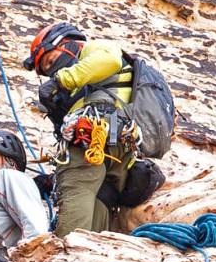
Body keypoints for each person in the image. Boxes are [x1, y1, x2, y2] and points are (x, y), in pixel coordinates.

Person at [23, 23, 140, 237]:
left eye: (51, 61)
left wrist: (61, 80)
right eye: (48, 71)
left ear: (66, 43)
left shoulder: (92, 49)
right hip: (119, 143)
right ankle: (89, 256)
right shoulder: (87, 85)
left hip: (94, 136)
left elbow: (109, 59)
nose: (52, 71)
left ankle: (66, 254)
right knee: (102, 197)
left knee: (77, 185)